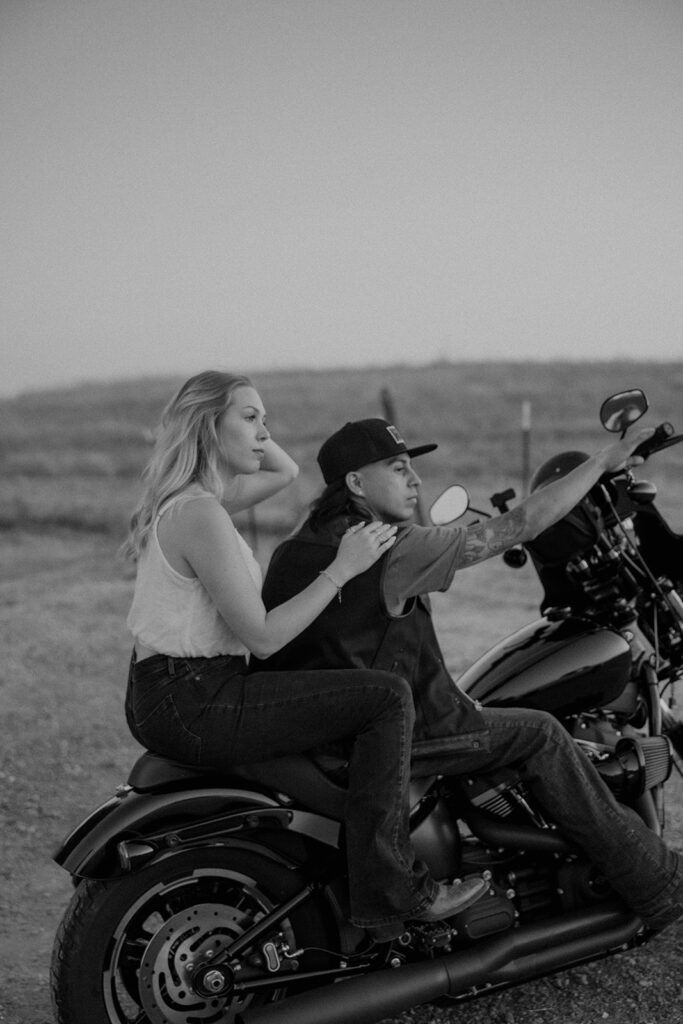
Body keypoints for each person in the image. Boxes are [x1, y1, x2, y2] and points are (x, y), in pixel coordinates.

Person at [256, 416, 683, 934]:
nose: (414, 480)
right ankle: (658, 886)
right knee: (542, 734)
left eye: (413, 467)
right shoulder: (393, 548)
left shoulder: (293, 551)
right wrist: (601, 463)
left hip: (321, 732)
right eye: (398, 468)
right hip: (392, 731)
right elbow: (519, 526)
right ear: (355, 484)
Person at [122, 372, 488, 942]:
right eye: (249, 418)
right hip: (197, 697)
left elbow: (286, 472)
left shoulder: (195, 500)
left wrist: (245, 422)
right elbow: (265, 638)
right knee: (385, 697)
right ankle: (397, 894)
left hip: (171, 692)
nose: (265, 432)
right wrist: (342, 568)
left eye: (265, 420)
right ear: (207, 427)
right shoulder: (202, 514)